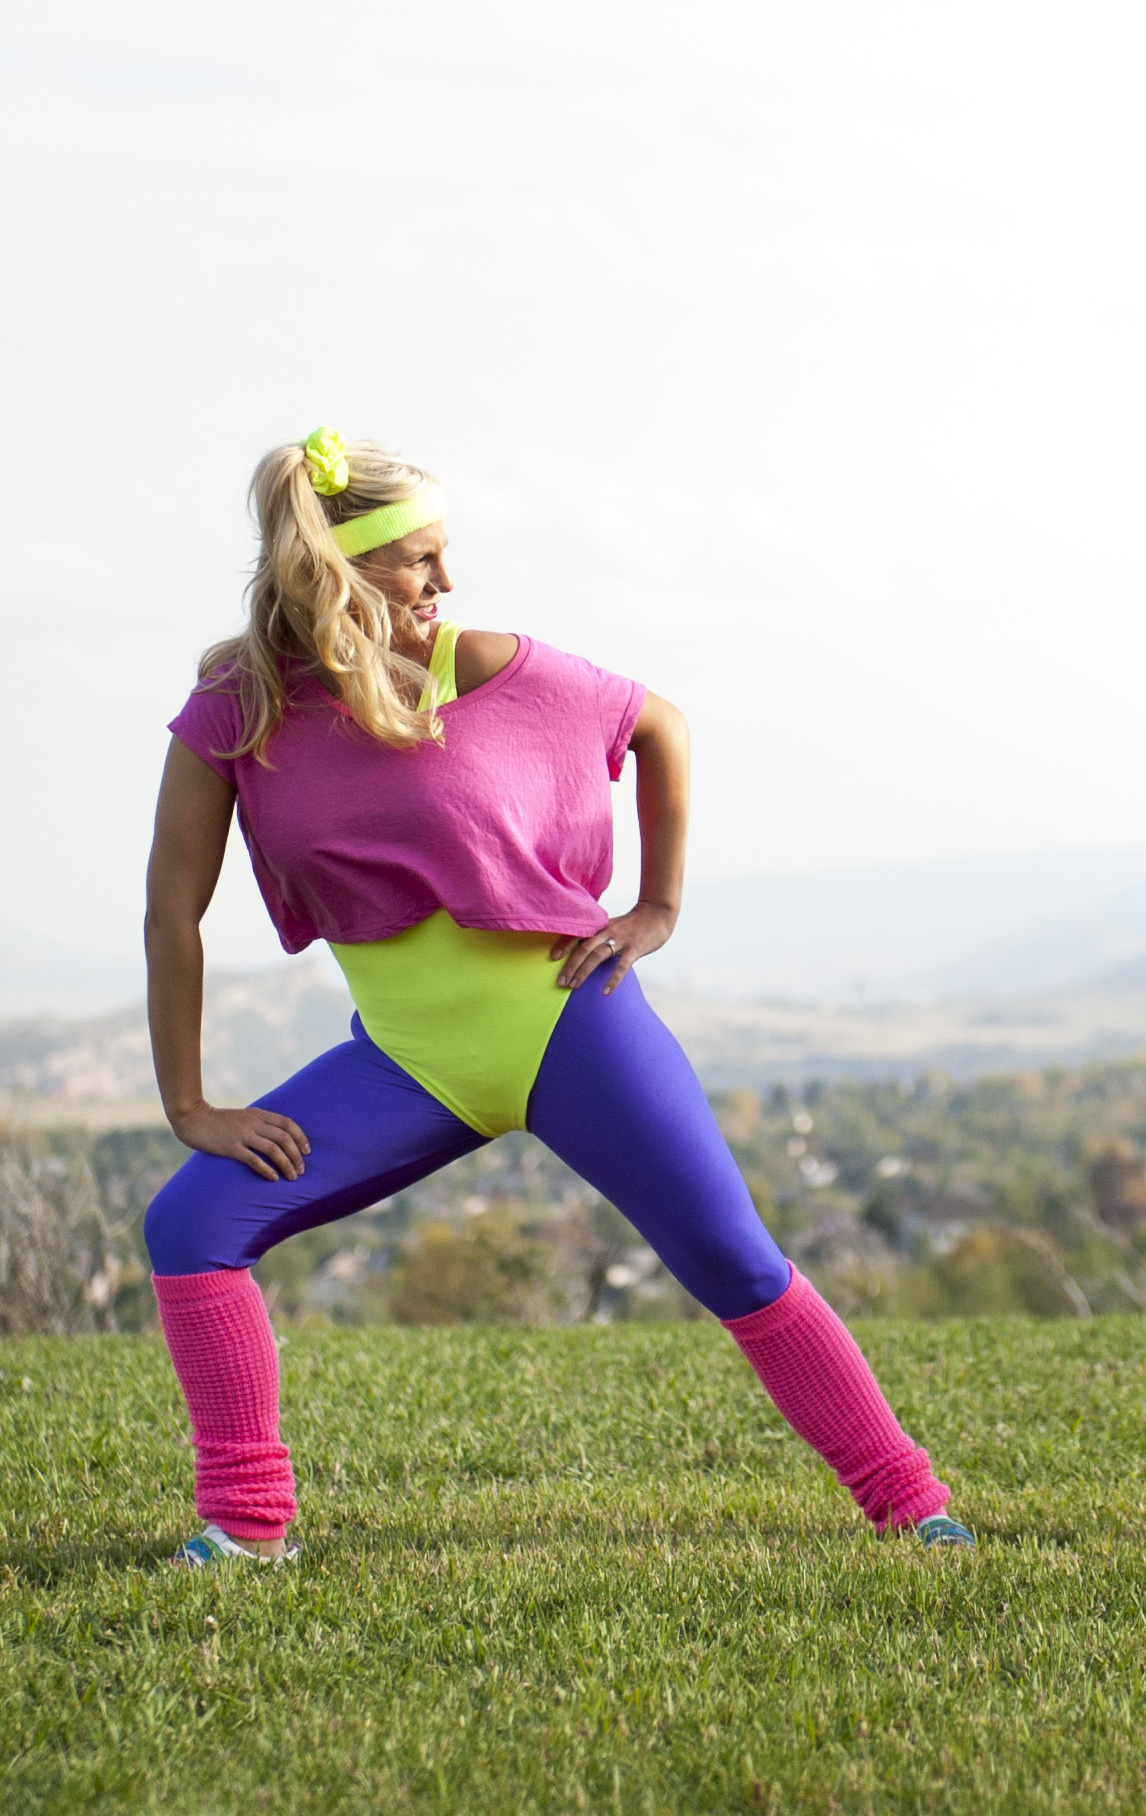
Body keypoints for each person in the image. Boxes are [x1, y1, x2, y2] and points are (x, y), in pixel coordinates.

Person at [136, 430, 972, 1565]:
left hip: (570, 1022)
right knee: (191, 1223)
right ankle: (245, 1526)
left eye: (445, 553)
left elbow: (659, 724)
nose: (445, 579)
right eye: (418, 559)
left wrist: (655, 907)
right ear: (333, 569)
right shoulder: (237, 706)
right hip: (408, 1060)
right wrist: (190, 1105)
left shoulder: (488, 665)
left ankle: (915, 1506)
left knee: (734, 1261)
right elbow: (172, 913)